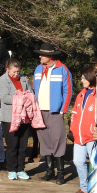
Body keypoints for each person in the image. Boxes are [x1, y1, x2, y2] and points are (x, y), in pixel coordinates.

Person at [69, 65, 97, 193]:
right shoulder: (82, 93)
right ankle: (84, 188)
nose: (81, 80)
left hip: (92, 135)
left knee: (95, 164)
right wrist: (73, 126)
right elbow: (75, 112)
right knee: (77, 161)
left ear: (90, 78)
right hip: (79, 135)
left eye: (83, 78)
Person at [33, 43, 71, 183]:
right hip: (40, 112)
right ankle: (49, 171)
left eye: (42, 54)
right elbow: (34, 88)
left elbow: (68, 91)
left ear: (50, 56)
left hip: (55, 112)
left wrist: (63, 111)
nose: (40, 56)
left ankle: (60, 173)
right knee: (44, 141)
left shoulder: (62, 69)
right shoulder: (38, 68)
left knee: (58, 140)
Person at [0, 58, 33, 180]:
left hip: (24, 117)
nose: (16, 74)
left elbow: (31, 92)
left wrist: (27, 96)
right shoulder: (2, 80)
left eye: (18, 71)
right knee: (12, 144)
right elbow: (4, 98)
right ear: (8, 69)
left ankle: (21, 169)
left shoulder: (23, 79)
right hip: (9, 117)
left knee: (23, 145)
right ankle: (12, 169)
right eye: (14, 72)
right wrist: (20, 98)